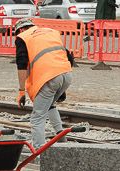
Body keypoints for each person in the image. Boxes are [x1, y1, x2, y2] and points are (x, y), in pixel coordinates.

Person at [13, 18, 75, 148]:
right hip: (66, 74)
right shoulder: (49, 32)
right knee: (50, 105)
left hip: (48, 78)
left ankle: (38, 152)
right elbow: (68, 57)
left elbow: (22, 63)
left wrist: (21, 91)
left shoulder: (23, 37)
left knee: (37, 118)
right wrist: (62, 87)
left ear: (21, 30)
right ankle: (63, 141)